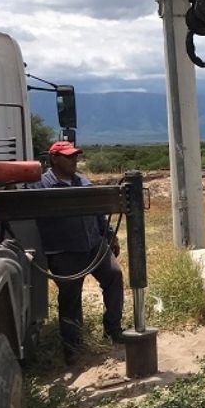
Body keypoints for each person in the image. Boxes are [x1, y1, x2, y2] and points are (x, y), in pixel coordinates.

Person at [31, 141, 125, 365]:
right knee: (71, 297)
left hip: (93, 244)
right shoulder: (39, 185)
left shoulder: (83, 181)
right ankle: (72, 347)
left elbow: (99, 213)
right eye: (68, 157)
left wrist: (109, 236)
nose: (74, 160)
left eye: (75, 156)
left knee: (114, 276)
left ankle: (113, 329)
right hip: (65, 251)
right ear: (54, 158)